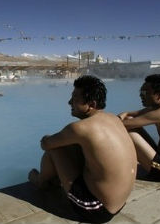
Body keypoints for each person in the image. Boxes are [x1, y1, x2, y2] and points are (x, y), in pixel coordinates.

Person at [28, 75, 136, 223]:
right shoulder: (113, 118)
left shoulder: (80, 128)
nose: (69, 102)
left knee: (55, 147)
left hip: (96, 209)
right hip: (119, 203)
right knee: (73, 145)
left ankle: (41, 181)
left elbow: (45, 145)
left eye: (75, 98)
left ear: (91, 104)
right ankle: (53, 179)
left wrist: (47, 138)